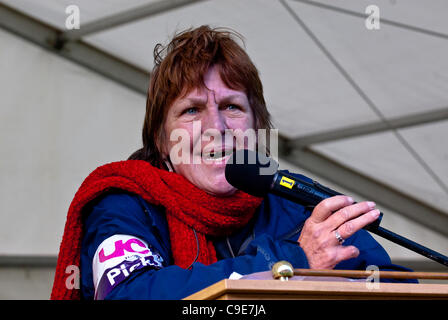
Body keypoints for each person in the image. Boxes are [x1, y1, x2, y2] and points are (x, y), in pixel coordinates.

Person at [51, 25, 415, 300]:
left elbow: (398, 286)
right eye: (192, 110)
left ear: (257, 127)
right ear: (162, 142)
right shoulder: (124, 203)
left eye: (232, 107)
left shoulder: (297, 202)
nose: (216, 127)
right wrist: (292, 261)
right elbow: (129, 295)